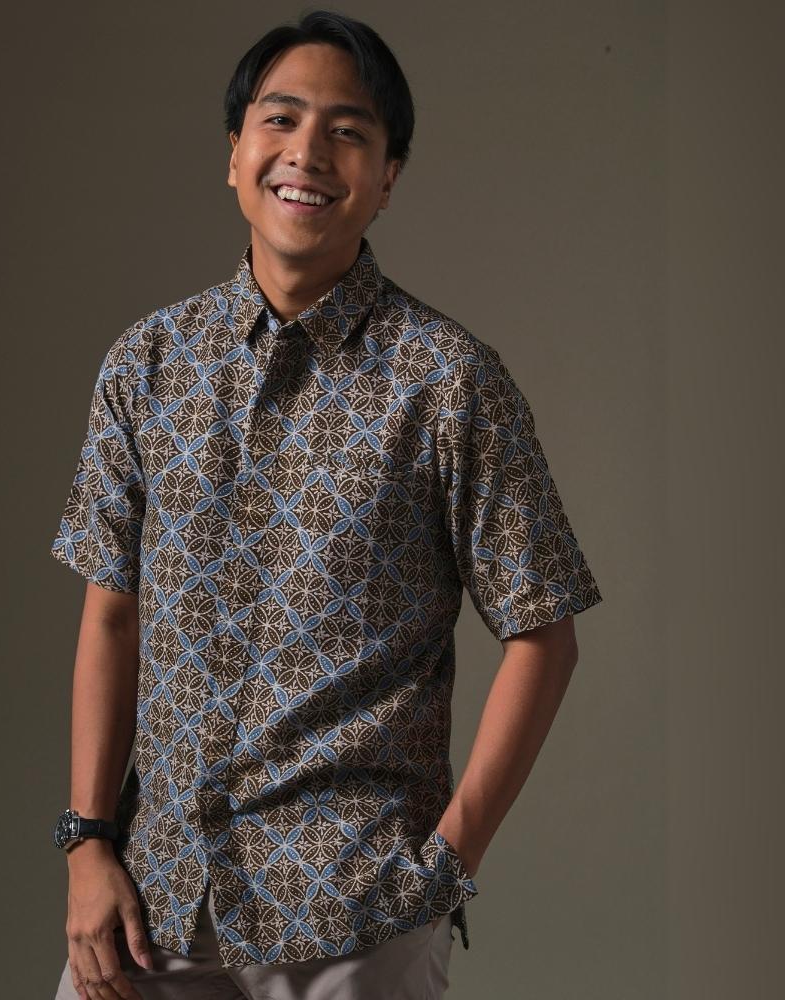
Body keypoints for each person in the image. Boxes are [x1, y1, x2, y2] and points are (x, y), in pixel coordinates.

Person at [48, 10, 603, 1000]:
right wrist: (87, 841)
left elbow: (544, 632)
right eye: (281, 118)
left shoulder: (449, 382)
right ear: (234, 152)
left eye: (347, 131)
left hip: (356, 916)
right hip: (154, 901)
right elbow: (111, 613)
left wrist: (447, 863)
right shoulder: (147, 363)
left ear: (387, 177)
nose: (307, 151)